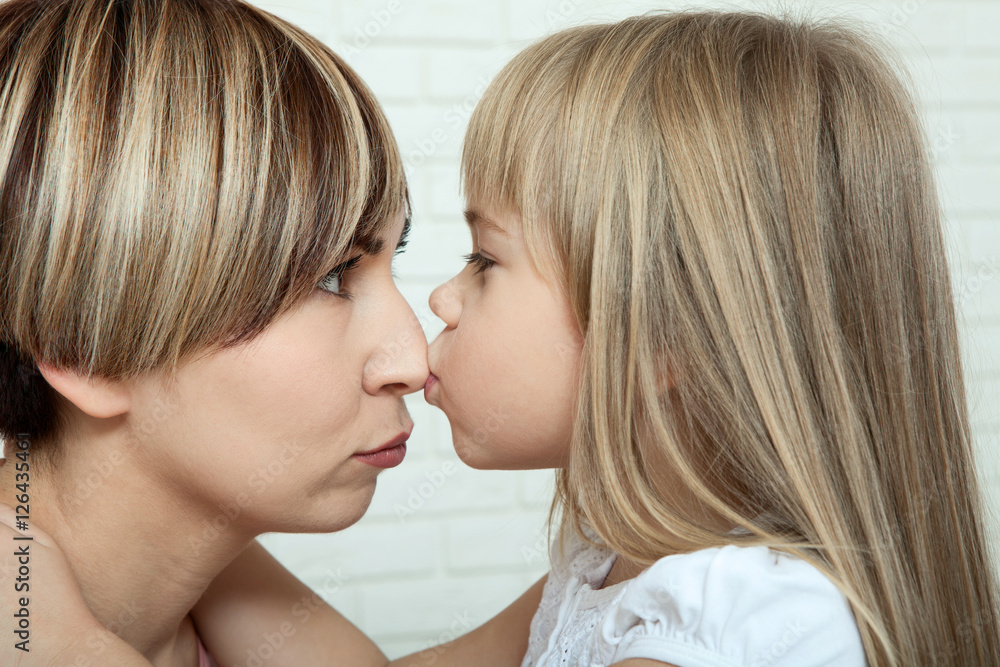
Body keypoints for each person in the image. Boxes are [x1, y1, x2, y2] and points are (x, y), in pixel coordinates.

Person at [6, 9, 1000, 667]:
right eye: (328, 276)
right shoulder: (613, 568)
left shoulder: (731, 617)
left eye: (481, 260)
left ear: (664, 332)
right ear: (87, 349)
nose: (413, 344)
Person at [0, 0, 427, 664]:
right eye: (333, 276)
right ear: (87, 352)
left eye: (390, 258)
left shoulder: (207, 579)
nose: (412, 359)